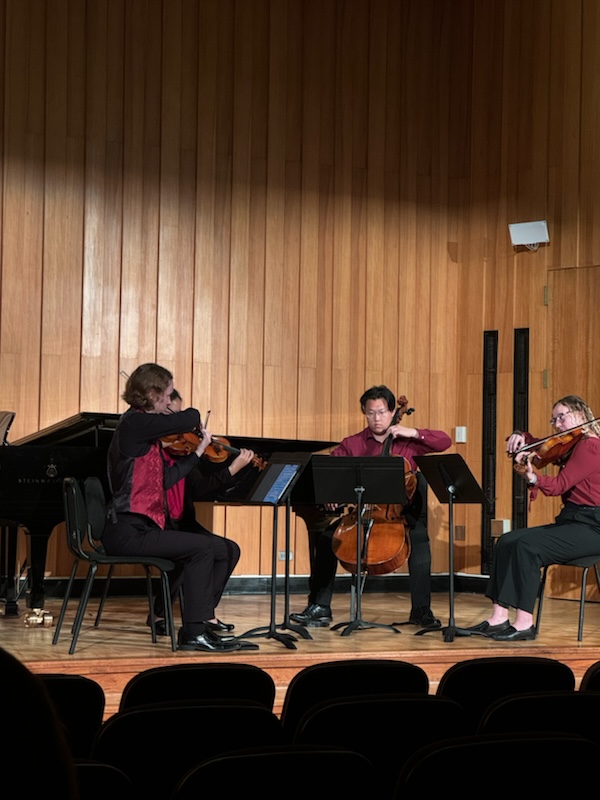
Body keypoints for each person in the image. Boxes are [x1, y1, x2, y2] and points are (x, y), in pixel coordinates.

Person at [102, 362, 258, 652]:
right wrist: (190, 419)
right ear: (152, 394)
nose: (168, 402)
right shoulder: (135, 423)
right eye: (167, 395)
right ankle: (194, 632)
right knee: (202, 547)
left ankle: (200, 625)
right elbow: (191, 416)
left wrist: (197, 452)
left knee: (214, 547)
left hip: (141, 528)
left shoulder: (144, 435)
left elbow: (167, 479)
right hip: (127, 530)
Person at [290, 385, 452, 629]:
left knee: (420, 542)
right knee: (326, 539)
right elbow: (330, 473)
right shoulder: (353, 443)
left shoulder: (408, 443)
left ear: (392, 412)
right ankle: (320, 607)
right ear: (364, 413)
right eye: (371, 413)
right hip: (361, 514)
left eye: (382, 412)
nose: (377, 418)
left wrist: (413, 432)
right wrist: (333, 493)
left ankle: (421, 611)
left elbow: (444, 441)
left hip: (400, 516)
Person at [464, 394, 600, 642]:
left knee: (528, 546)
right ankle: (498, 618)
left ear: (580, 415)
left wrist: (533, 477)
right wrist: (521, 437)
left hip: (593, 527)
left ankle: (524, 623)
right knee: (506, 541)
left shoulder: (590, 446)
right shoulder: (572, 445)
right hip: (573, 521)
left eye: (562, 417)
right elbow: (541, 445)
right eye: (554, 420)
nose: (557, 425)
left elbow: (559, 485)